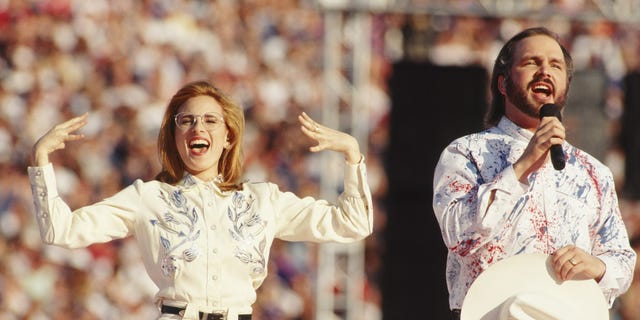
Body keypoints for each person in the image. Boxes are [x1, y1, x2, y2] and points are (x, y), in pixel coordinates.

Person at [28, 80, 373, 320]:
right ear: (175, 136)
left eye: (210, 120)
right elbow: (63, 231)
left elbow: (353, 224)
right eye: (186, 121)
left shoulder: (263, 200)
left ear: (228, 136)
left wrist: (353, 156)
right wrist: (41, 160)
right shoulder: (148, 197)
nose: (197, 128)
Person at [432, 27, 636, 319]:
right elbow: (458, 235)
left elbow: (622, 261)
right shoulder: (467, 153)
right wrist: (521, 168)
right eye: (531, 62)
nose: (544, 71)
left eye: (555, 65)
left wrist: (598, 267)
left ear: (566, 84)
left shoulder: (593, 172)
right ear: (502, 83)